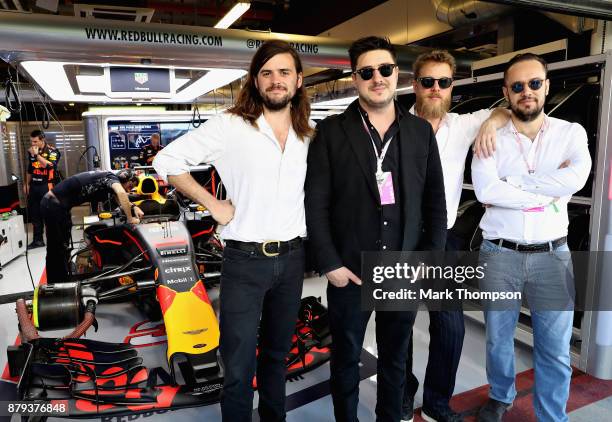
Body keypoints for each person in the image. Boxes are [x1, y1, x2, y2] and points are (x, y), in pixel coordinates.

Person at [153, 40, 313, 422]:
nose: (276, 81)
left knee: (277, 357)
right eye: (267, 73)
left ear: (299, 80)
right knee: (239, 367)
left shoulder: (307, 133)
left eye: (284, 72)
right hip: (245, 261)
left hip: (292, 260)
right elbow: (166, 160)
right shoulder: (230, 126)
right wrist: (211, 203)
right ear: (256, 81)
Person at [305, 36, 447, 422]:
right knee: (346, 359)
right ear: (355, 78)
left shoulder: (419, 132)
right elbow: (315, 204)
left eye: (385, 69)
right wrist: (329, 263)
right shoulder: (331, 132)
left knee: (395, 360)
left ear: (396, 73)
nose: (377, 78)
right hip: (349, 272)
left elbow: (436, 203)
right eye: (367, 72)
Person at [471, 53, 591, 422]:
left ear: (547, 86)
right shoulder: (490, 136)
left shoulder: (571, 133)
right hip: (499, 254)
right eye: (518, 86)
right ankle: (500, 394)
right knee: (497, 338)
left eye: (534, 83)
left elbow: (575, 180)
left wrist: (515, 184)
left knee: (554, 348)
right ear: (506, 91)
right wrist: (547, 194)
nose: (527, 92)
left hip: (552, 256)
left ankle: (551, 415)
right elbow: (485, 191)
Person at [402, 50, 511, 422]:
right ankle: (403, 393)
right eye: (428, 81)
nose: (436, 89)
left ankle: (436, 403)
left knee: (449, 326)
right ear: (415, 85)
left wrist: (489, 124)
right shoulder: (395, 126)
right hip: (399, 240)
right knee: (396, 323)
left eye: (444, 82)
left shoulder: (464, 125)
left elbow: (505, 109)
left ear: (452, 87)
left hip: (442, 240)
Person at [40, 169, 142, 285]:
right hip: (53, 205)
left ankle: (63, 278)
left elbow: (120, 199)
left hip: (59, 206)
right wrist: (130, 219)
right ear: (125, 179)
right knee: (56, 248)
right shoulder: (111, 178)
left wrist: (134, 207)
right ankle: (55, 286)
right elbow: (121, 193)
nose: (128, 190)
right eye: (129, 186)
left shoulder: (108, 179)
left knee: (64, 245)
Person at [25, 129, 60, 249]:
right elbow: (30, 169)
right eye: (31, 142)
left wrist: (37, 155)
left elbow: (50, 166)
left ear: (42, 140)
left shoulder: (53, 151)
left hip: (47, 186)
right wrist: (27, 184)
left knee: (49, 214)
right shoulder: (30, 151)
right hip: (34, 186)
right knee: (35, 214)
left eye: (35, 141)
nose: (33, 144)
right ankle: (38, 240)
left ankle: (54, 240)